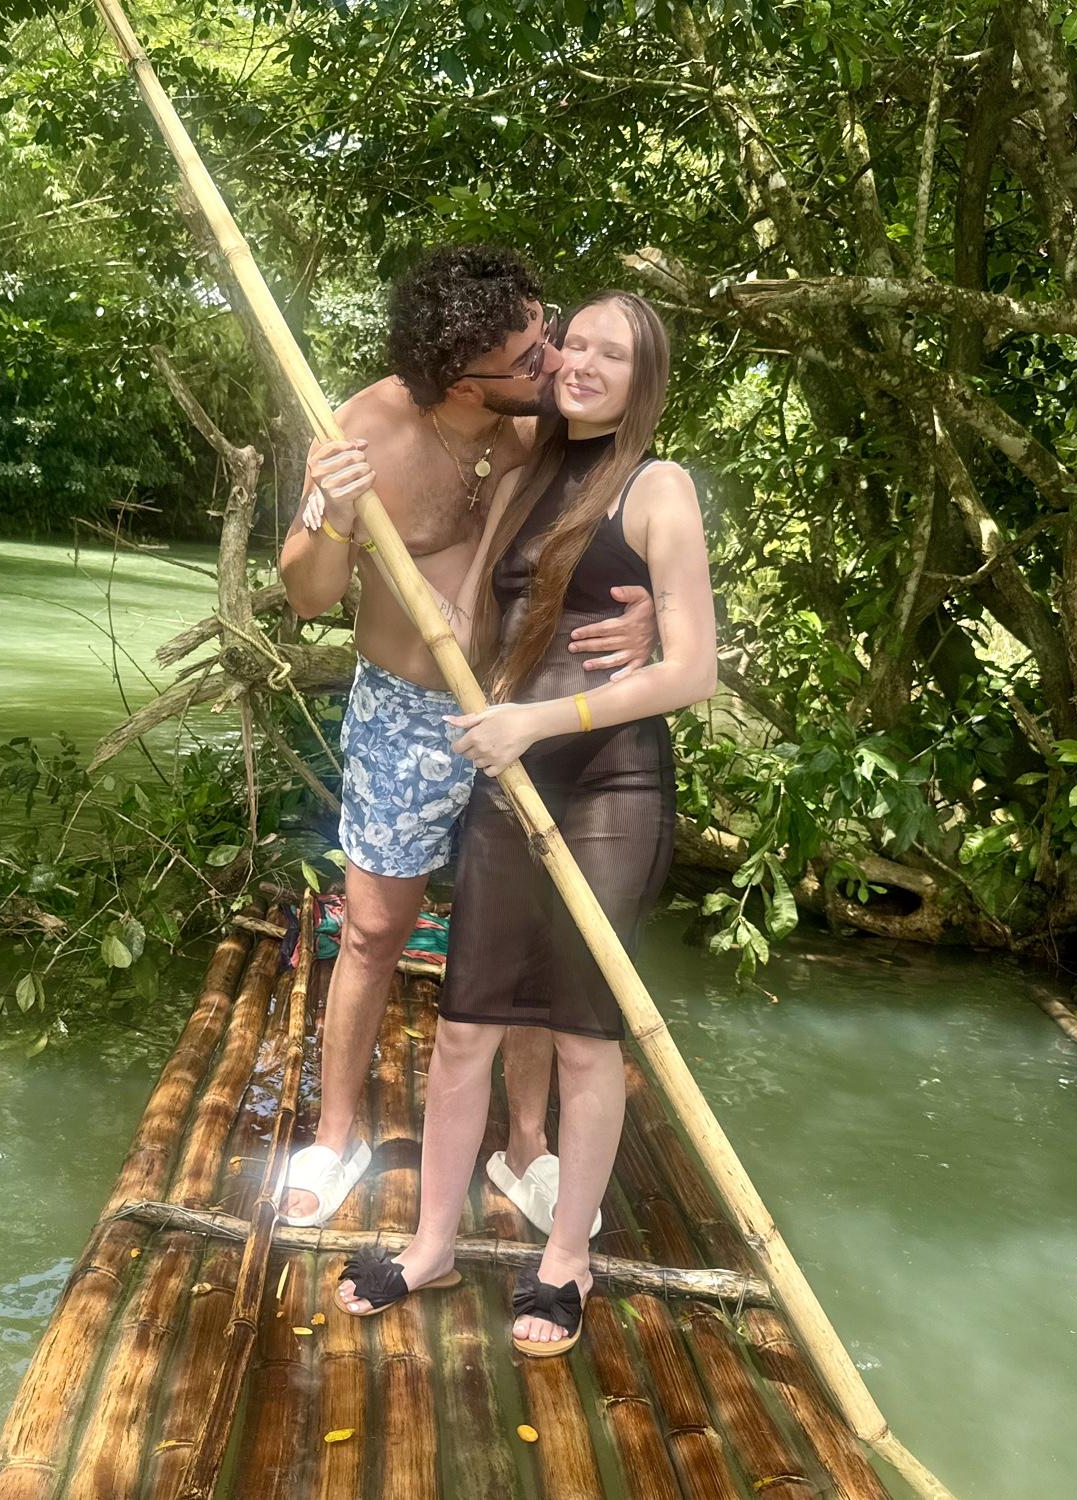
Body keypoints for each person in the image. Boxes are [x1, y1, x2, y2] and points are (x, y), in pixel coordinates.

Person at [333, 290, 719, 1359]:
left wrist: (543, 714)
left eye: (614, 354)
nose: (583, 362)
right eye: (575, 343)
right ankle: (429, 1250)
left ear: (646, 383)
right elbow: (474, 615)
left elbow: (694, 668)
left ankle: (564, 1265)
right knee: (464, 1027)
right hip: (510, 782)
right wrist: (361, 549)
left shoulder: (659, 487)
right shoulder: (519, 467)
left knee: (587, 1040)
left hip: (610, 785)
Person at [277, 247, 659, 1229]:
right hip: (406, 710)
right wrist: (329, 511)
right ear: (460, 377)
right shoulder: (367, 431)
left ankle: (523, 1146)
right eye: (531, 356)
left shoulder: (551, 421)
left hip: (523, 705)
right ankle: (336, 1138)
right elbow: (308, 596)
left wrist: (649, 619)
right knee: (371, 929)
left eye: (551, 332)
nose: (555, 365)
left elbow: (632, 520)